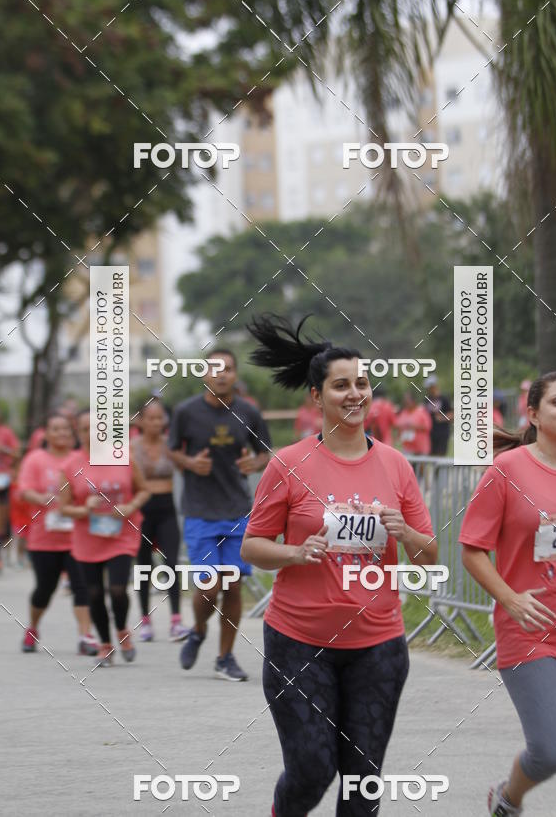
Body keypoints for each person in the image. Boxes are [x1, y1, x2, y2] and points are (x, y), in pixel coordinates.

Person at [241, 315, 437, 816]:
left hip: (377, 646)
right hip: (298, 644)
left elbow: (429, 554)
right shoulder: (288, 463)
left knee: (362, 784)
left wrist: (405, 532)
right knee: (311, 768)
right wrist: (296, 552)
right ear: (316, 396)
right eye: (341, 385)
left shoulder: (395, 464)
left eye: (362, 383)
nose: (355, 394)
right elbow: (253, 546)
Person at [459, 372, 556, 817]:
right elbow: (473, 549)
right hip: (531, 631)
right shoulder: (507, 471)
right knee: (551, 751)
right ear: (533, 414)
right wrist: (510, 599)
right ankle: (508, 797)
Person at [169, 349, 271, 680]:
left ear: (235, 374)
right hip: (200, 511)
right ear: (203, 375)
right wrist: (189, 463)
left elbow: (265, 454)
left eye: (227, 368)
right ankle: (198, 630)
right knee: (209, 587)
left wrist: (252, 464)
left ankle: (224, 657)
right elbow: (172, 451)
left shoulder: (249, 412)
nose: (221, 374)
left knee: (233, 586)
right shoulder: (186, 412)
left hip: (238, 511)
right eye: (214, 369)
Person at [58, 411, 150, 666]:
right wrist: (83, 508)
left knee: (117, 590)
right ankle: (105, 643)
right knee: (95, 593)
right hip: (87, 536)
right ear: (79, 433)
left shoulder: (125, 457)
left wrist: (131, 507)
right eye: (86, 429)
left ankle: (122, 630)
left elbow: (144, 490)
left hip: (122, 533)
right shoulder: (70, 465)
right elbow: (63, 507)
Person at [17, 413, 97, 655]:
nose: (62, 433)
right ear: (46, 434)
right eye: (56, 429)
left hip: (77, 536)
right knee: (45, 589)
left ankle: (86, 636)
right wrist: (39, 497)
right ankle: (33, 628)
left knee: (82, 586)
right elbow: (23, 490)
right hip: (44, 537)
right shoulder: (35, 460)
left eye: (66, 429)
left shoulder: (79, 459)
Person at [133, 400, 189, 642]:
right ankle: (145, 620)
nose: (156, 423)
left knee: (172, 563)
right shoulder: (130, 448)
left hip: (166, 508)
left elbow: (187, 468)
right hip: (141, 510)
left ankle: (176, 620)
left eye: (160, 418)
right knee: (143, 565)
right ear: (141, 421)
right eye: (151, 418)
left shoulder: (171, 445)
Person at [0, 404, 20, 572]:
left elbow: (17, 454)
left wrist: (5, 450)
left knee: (1, 522)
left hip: (3, 479)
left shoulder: (5, 433)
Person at [394, 390, 432, 455]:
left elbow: (428, 427)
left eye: (407, 401)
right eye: (405, 401)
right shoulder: (403, 412)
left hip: (420, 449)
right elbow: (398, 425)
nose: (405, 402)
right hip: (407, 448)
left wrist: (414, 426)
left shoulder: (421, 412)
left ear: (413, 401)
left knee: (420, 465)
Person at [423, 375, 452, 456]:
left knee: (440, 458)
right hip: (430, 434)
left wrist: (442, 418)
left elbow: (452, 414)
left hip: (442, 434)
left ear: (435, 386)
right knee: (429, 457)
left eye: (430, 387)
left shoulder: (444, 399)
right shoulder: (427, 400)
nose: (429, 389)